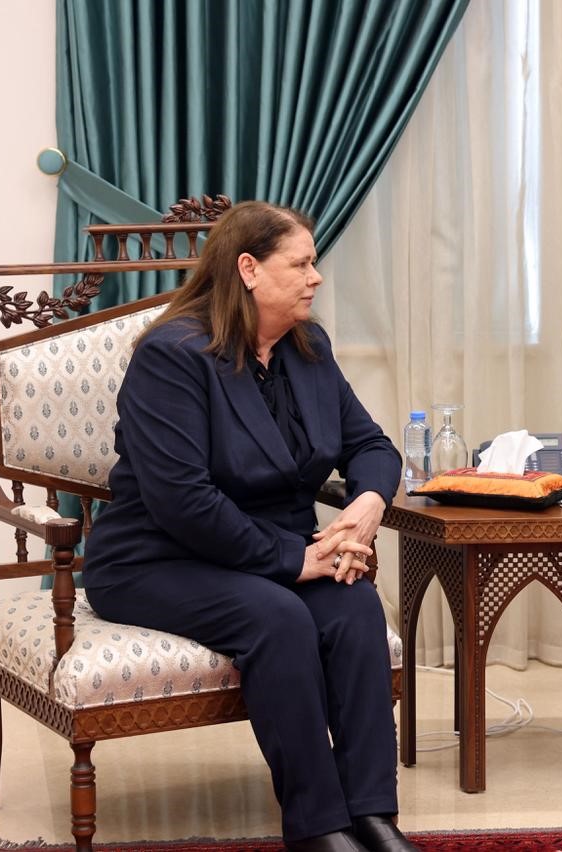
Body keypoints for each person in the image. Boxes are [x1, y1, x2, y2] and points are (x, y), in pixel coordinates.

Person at [85, 201, 415, 852]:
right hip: (157, 558)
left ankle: (373, 816)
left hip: (272, 550)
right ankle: (320, 828)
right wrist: (297, 560)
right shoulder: (172, 356)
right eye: (301, 264)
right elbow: (183, 501)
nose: (316, 277)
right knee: (278, 617)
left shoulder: (308, 347)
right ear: (249, 269)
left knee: (354, 605)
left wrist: (368, 505)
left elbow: (370, 445)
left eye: (314, 263)